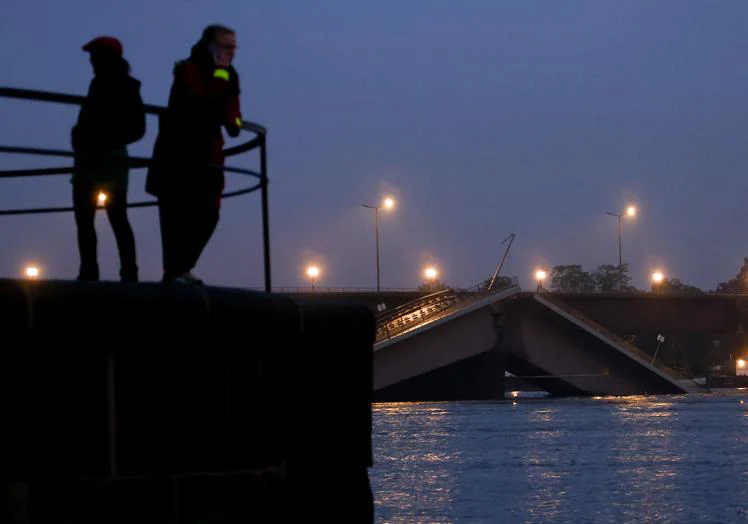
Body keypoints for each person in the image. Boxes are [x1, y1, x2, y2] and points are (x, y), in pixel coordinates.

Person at [146, 24, 243, 285]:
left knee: (208, 214)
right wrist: (224, 104)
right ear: (210, 45)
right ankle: (175, 271)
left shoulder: (228, 75)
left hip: (208, 158)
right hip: (179, 155)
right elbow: (199, 105)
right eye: (226, 46)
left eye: (233, 47)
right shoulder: (190, 70)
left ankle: (181, 268)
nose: (231, 52)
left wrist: (233, 119)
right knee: (177, 213)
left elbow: (231, 115)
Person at [71, 36, 145, 282]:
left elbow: (135, 128)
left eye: (94, 56)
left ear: (105, 58)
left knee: (91, 218)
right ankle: (126, 272)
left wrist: (92, 138)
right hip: (106, 161)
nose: (91, 61)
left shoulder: (111, 85)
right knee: (114, 218)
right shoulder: (123, 85)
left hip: (99, 160)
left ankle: (91, 271)